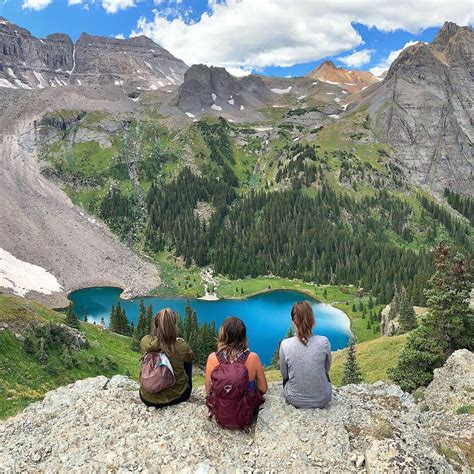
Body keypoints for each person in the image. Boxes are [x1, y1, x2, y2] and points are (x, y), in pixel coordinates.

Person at [205, 317, 267, 429]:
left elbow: (208, 390)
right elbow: (263, 388)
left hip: (220, 413)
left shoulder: (212, 358)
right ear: (243, 337)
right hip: (246, 414)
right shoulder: (253, 358)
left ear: (223, 336)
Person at [279, 301, 332, 409]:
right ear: (312, 321)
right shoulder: (324, 342)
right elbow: (326, 370)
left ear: (293, 322)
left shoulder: (285, 344)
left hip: (294, 399)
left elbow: (285, 375)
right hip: (323, 399)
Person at [139, 308, 194, 408]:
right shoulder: (181, 346)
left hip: (147, 398)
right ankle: (182, 387)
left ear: (156, 326)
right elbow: (190, 360)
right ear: (174, 326)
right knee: (187, 364)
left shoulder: (145, 342)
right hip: (177, 397)